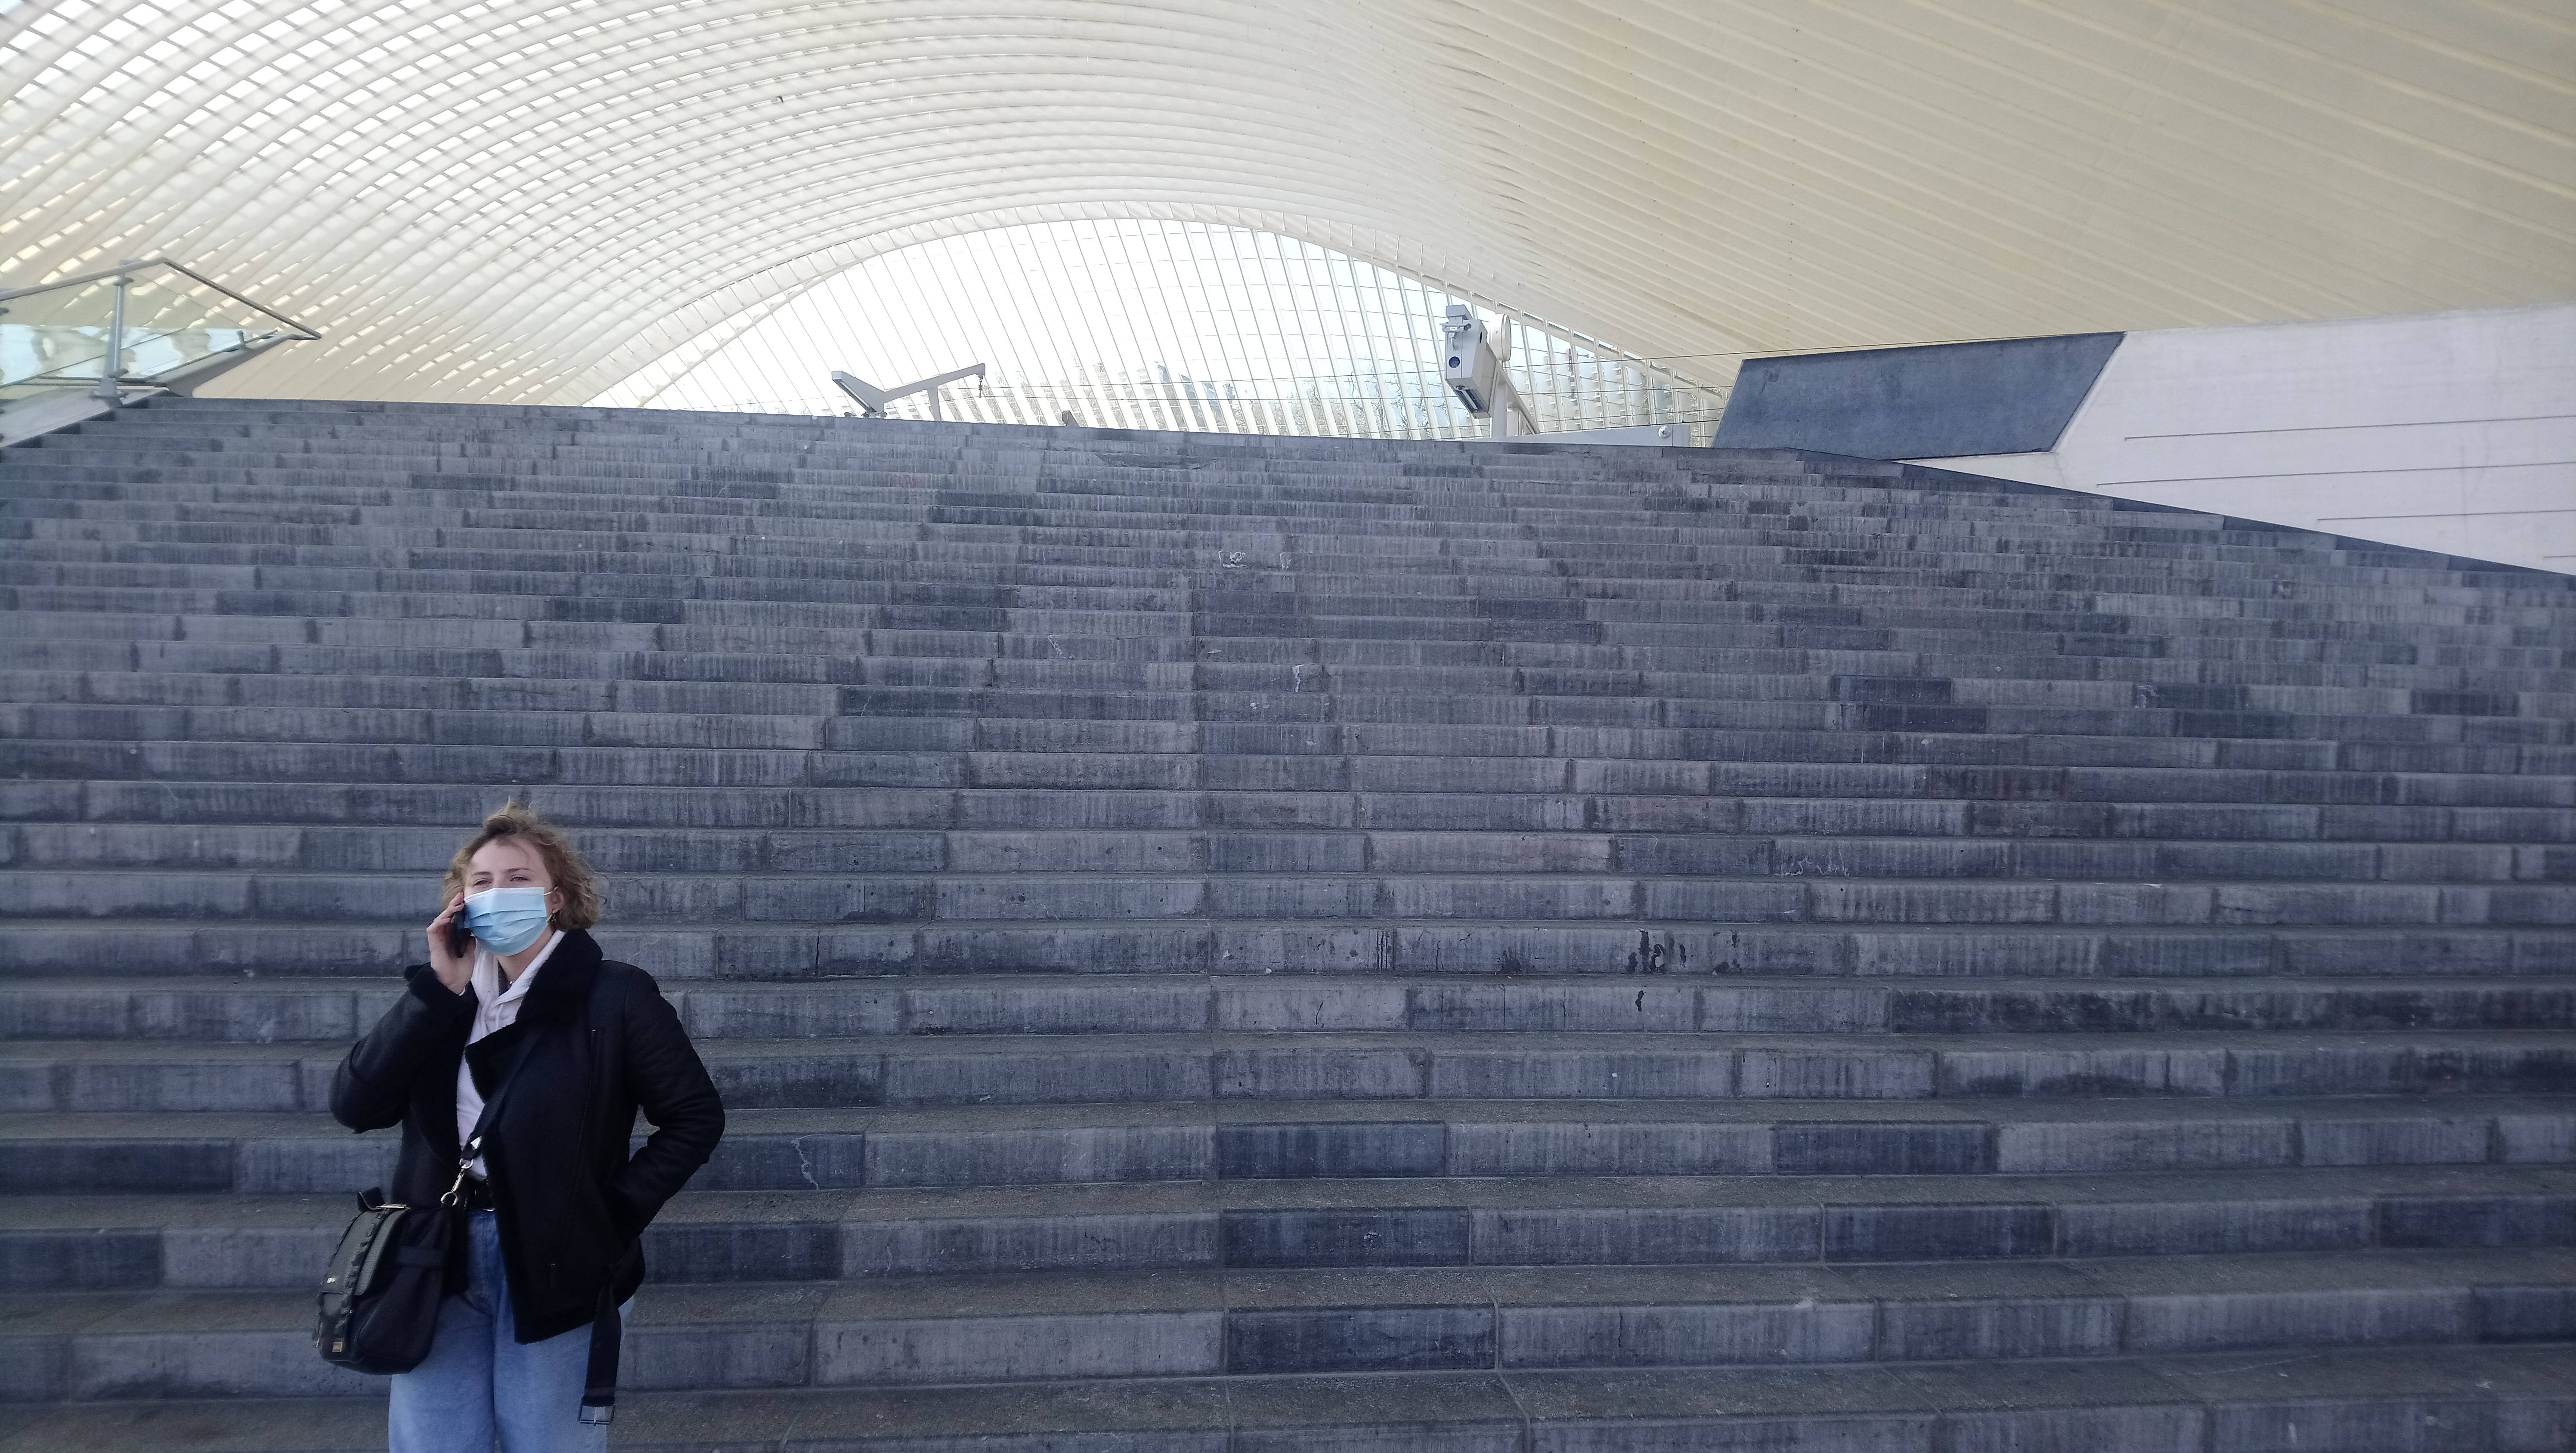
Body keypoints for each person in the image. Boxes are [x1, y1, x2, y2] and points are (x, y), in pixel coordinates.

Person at [331, 803, 724, 1452]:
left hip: (557, 1256)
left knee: (549, 1443)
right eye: (480, 882)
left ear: (555, 898)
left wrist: (609, 1215)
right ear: (459, 904)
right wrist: (435, 993)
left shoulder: (615, 996)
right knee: (435, 1442)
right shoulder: (443, 1000)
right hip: (439, 1255)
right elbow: (355, 1106)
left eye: (517, 878)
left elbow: (694, 1117)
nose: (497, 893)